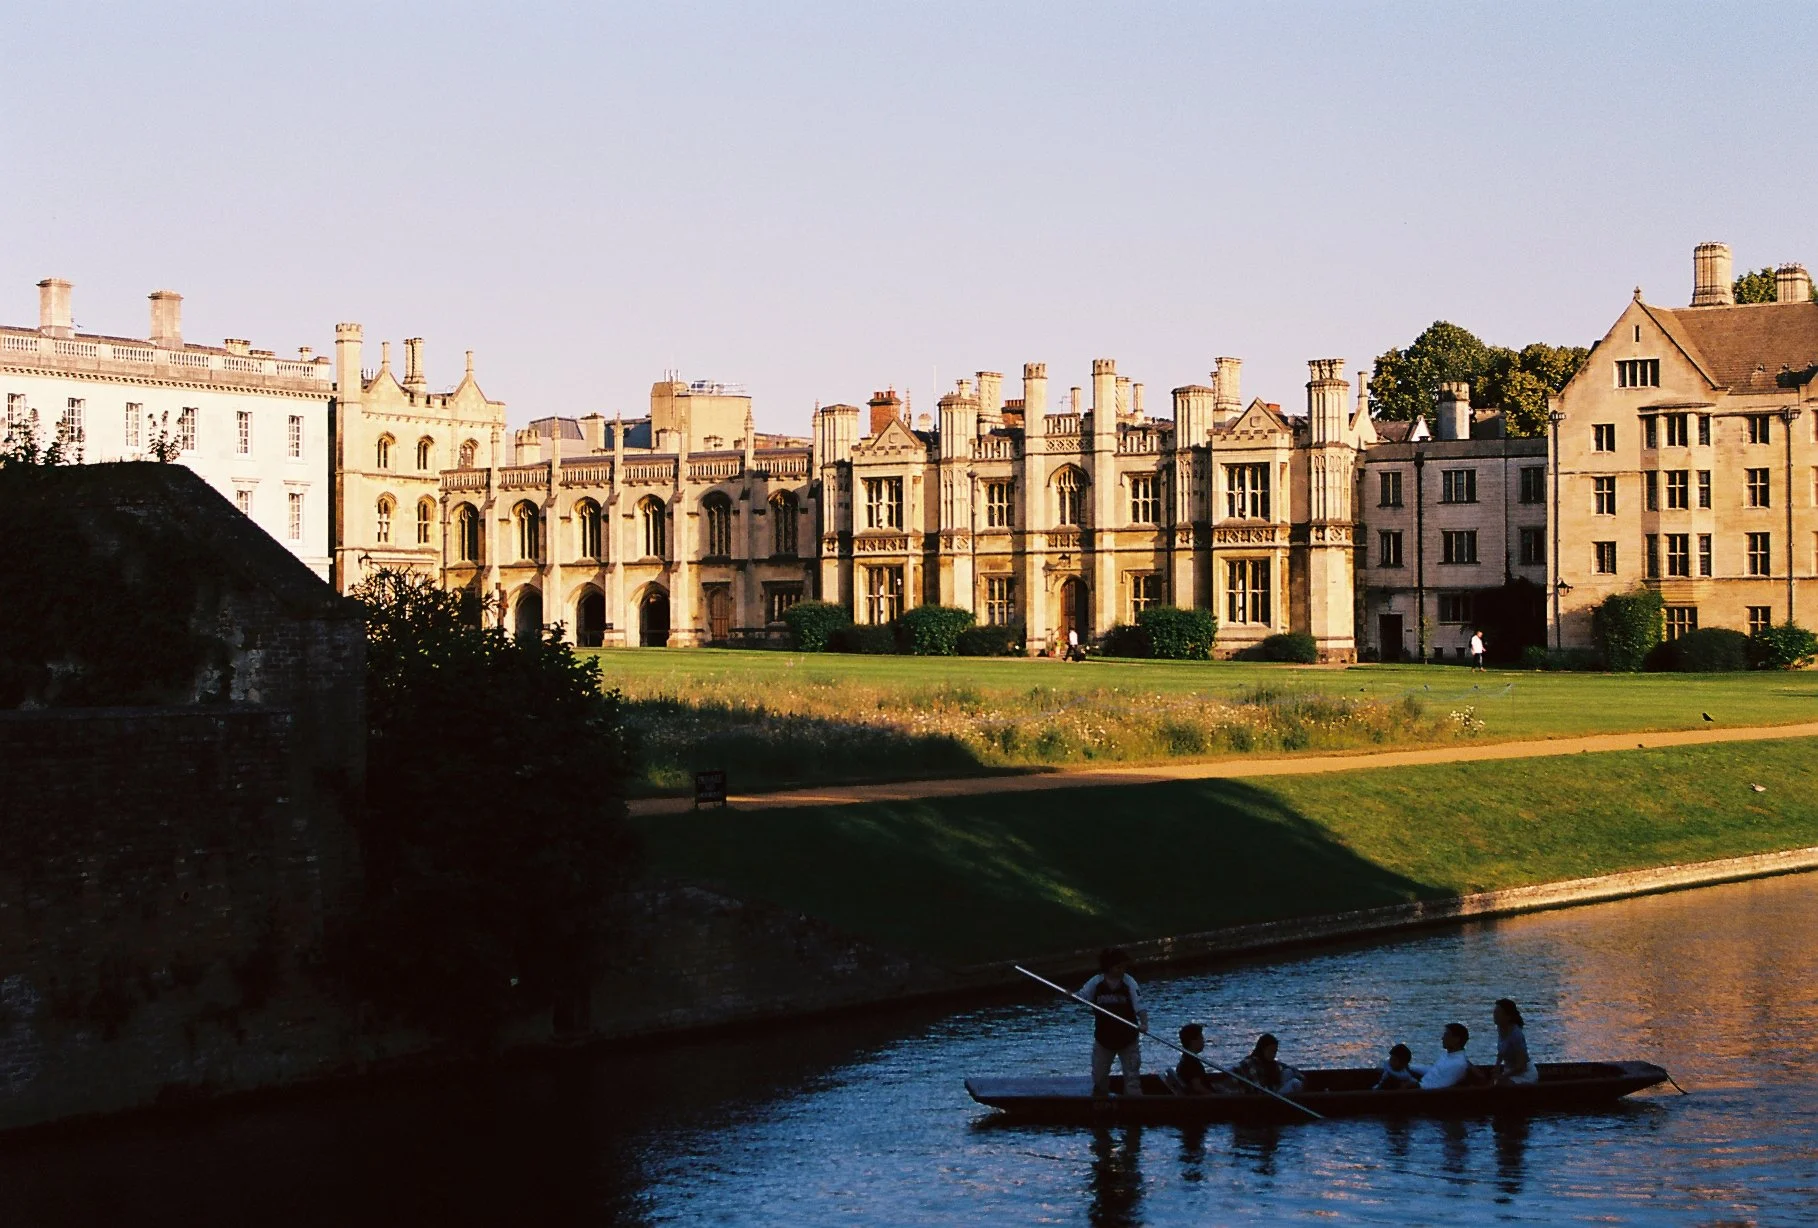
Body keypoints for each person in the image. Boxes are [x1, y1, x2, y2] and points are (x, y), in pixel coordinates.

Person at [1079, 948, 1147, 1096]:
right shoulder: (1096, 982)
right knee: (1099, 1076)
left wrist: (1143, 1023)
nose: (1122, 970)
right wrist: (1072, 996)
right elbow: (1082, 996)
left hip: (1128, 1038)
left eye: (1124, 967)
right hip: (1104, 1039)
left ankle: (1135, 1103)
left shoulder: (1129, 983)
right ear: (1109, 967)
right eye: (1118, 967)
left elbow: (1140, 1005)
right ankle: (1101, 1100)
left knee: (1132, 1076)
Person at [1232, 1033, 1304, 1096]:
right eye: (1270, 1051)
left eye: (1275, 1052)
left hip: (1273, 1092)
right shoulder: (1251, 1063)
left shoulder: (1271, 1063)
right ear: (1262, 1049)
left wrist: (1300, 1077)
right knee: (1295, 1083)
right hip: (1264, 1098)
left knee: (1288, 1072)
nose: (1273, 1054)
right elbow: (1258, 1090)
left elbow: (1292, 1070)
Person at [1492, 998, 1539, 1085]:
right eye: (1494, 1012)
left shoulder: (1516, 1034)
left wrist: (1503, 1076)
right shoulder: (1500, 1028)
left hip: (1524, 1074)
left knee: (1501, 1085)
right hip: (1509, 1070)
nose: (1494, 1015)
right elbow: (1501, 1051)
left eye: (1498, 1013)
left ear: (1508, 1016)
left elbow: (1521, 1066)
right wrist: (1497, 1067)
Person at [1420, 1022, 1476, 1090]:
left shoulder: (1458, 1064)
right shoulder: (1447, 1056)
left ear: (1456, 1039)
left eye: (1446, 1035)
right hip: (1421, 1086)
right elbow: (1434, 1071)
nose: (1442, 1038)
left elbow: (1440, 1088)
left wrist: (1416, 1086)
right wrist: (1410, 1068)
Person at [1175, 1023, 1218, 1094]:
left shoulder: (1187, 1058)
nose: (1203, 1041)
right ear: (1193, 1041)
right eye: (1201, 1038)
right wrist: (1216, 1096)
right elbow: (1197, 1087)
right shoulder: (1191, 1063)